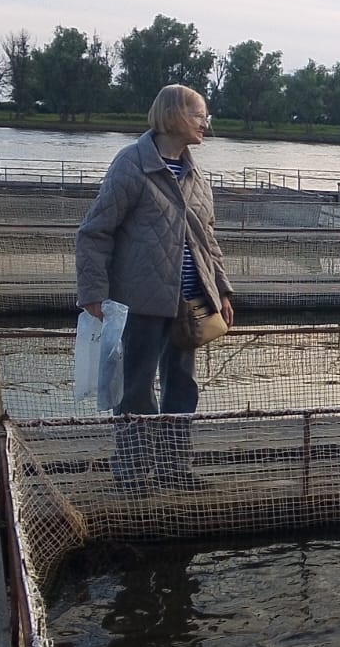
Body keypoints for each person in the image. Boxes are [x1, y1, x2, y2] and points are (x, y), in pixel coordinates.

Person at [75, 85, 234, 490]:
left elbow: (206, 237)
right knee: (135, 390)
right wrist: (93, 292)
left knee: (182, 387)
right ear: (174, 115)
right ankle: (132, 474)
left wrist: (222, 290)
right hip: (139, 301)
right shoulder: (132, 164)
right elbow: (95, 232)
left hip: (189, 302)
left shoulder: (194, 174)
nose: (205, 123)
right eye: (199, 114)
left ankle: (173, 469)